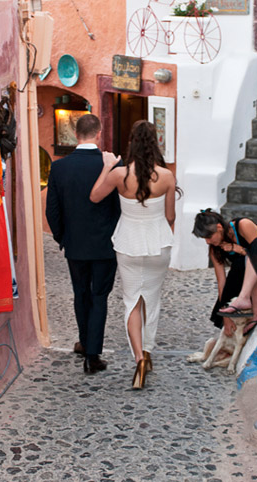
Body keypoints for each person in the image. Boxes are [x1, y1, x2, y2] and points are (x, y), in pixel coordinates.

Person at [90, 120, 176, 390]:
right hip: (158, 244)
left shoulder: (119, 175)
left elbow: (94, 197)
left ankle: (139, 358)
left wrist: (106, 167)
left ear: (132, 144)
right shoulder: (166, 176)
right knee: (152, 299)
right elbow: (170, 216)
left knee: (132, 302)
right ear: (155, 143)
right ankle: (148, 353)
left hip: (127, 244)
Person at [45, 114, 120, 375]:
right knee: (99, 296)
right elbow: (117, 208)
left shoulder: (60, 167)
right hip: (104, 244)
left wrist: (62, 237)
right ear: (98, 133)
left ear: (76, 135)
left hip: (75, 245)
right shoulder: (110, 165)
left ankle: (85, 342)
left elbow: (52, 211)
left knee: (81, 294)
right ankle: (92, 354)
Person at [192, 210, 257, 337]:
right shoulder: (215, 249)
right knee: (237, 268)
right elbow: (222, 284)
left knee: (244, 260)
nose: (207, 242)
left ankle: (255, 308)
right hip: (247, 284)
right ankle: (242, 304)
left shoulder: (243, 225)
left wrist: (239, 250)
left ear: (219, 227)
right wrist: (225, 316)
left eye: (209, 237)